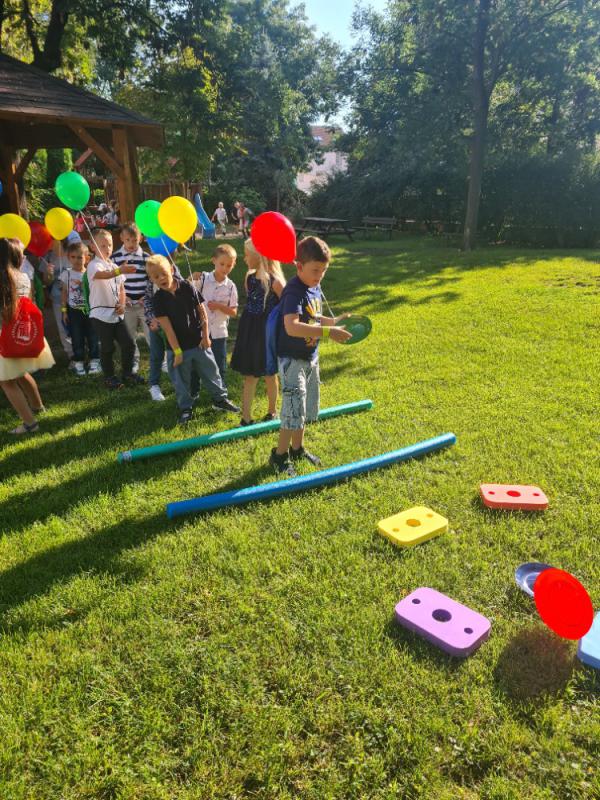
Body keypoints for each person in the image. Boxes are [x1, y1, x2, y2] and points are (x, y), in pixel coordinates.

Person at [269, 236, 352, 476]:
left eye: (324, 270)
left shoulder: (313, 287)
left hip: (309, 357)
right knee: (292, 409)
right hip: (292, 361)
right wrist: (328, 332)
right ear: (299, 266)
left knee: (303, 407)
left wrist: (333, 322)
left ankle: (297, 449)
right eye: (315, 270)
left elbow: (312, 316)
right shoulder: (293, 291)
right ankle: (279, 456)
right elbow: (292, 327)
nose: (320, 275)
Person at [146, 255, 240, 424]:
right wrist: (177, 352)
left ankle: (220, 400)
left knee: (212, 372)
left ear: (172, 270)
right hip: (177, 348)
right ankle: (185, 408)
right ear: (151, 279)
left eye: (163, 273)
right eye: (155, 276)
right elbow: (167, 328)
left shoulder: (187, 286)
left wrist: (205, 335)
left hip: (199, 343)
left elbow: (202, 311)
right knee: (181, 380)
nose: (160, 278)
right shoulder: (158, 299)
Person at [0, 238, 55, 434]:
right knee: (21, 373)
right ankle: (38, 407)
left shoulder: (3, 278)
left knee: (6, 381)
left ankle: (30, 423)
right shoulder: (23, 276)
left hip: (4, 336)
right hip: (19, 333)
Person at [230, 238, 285, 425]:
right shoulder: (249, 277)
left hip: (267, 333)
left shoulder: (275, 282)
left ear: (259, 256)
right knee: (250, 375)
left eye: (247, 255)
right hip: (250, 331)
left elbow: (287, 307)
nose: (245, 259)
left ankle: (272, 411)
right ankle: (246, 417)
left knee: (270, 373)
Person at [87, 228, 143, 389]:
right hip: (100, 314)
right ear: (92, 246)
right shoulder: (93, 265)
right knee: (108, 347)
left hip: (116, 314)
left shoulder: (113, 265)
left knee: (129, 344)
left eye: (110, 245)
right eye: (103, 245)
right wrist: (120, 270)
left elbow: (121, 289)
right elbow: (103, 275)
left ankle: (127, 373)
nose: (107, 248)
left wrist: (122, 304)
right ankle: (109, 377)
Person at [191, 244, 238, 384]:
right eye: (222, 264)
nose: (225, 268)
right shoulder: (203, 279)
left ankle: (221, 392)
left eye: (229, 265)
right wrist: (191, 277)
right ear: (213, 261)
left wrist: (219, 306)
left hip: (219, 332)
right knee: (196, 363)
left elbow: (234, 312)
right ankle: (193, 391)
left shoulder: (231, 286)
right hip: (200, 330)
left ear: (234, 265)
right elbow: (187, 290)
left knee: (220, 364)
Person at [112, 222, 149, 374]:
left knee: (152, 333)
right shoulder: (115, 258)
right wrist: (122, 298)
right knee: (129, 335)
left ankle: (161, 359)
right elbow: (113, 281)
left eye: (135, 240)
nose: (131, 244)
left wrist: (147, 296)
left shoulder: (146, 258)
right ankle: (134, 360)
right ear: (121, 238)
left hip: (144, 303)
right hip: (126, 303)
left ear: (141, 239)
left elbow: (152, 279)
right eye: (128, 240)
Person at [61, 241, 101, 376]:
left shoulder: (90, 273)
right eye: (73, 257)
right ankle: (78, 360)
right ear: (68, 258)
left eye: (80, 257)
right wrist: (64, 311)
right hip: (74, 311)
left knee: (92, 335)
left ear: (87, 258)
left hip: (90, 310)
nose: (76, 260)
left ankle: (95, 360)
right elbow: (64, 293)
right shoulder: (66, 274)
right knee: (76, 336)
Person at [42, 238, 74, 364]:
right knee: (63, 328)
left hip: (74, 299)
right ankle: (71, 355)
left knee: (77, 326)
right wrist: (49, 274)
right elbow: (46, 282)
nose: (50, 244)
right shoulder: (48, 258)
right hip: (57, 299)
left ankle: (82, 351)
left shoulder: (73, 254)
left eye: (53, 241)